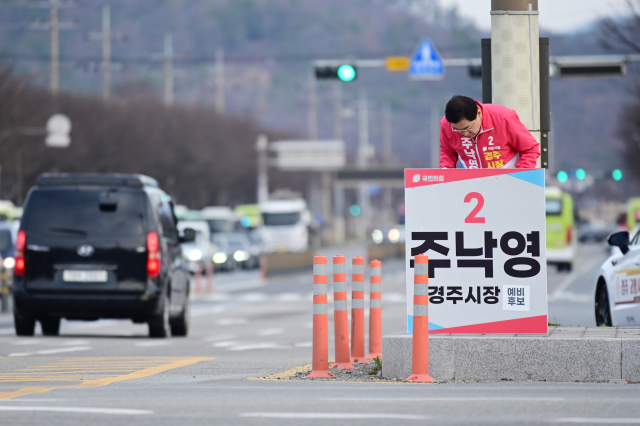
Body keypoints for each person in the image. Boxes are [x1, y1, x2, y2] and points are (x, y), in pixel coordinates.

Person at [439, 95, 540, 169]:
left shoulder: (503, 118)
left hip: (509, 178)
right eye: (458, 130)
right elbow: (448, 152)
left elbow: (530, 148)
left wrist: (520, 175)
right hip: (472, 181)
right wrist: (446, 172)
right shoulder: (446, 124)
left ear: (478, 113)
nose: (465, 134)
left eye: (468, 128)